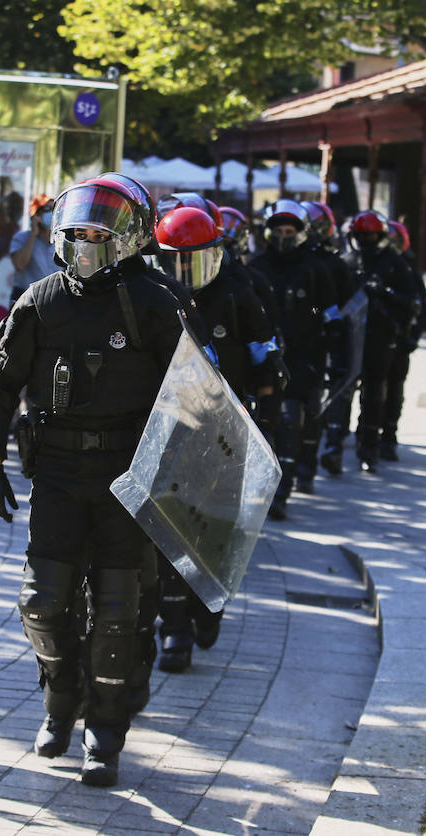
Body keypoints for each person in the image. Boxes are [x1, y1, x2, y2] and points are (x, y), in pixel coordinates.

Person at [0, 173, 200, 788]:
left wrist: (179, 486)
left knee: (117, 616)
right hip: (58, 476)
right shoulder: (42, 299)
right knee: (43, 603)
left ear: (129, 236)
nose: (86, 239)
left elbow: (194, 397)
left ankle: (106, 732)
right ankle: (60, 698)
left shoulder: (155, 301)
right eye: (78, 229)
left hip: (129, 480)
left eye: (101, 230)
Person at [149, 205, 282, 673]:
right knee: (169, 533)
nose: (185, 274)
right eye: (175, 262)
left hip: (228, 434)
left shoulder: (238, 296)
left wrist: (264, 426)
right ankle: (175, 633)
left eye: (195, 261)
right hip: (171, 432)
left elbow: (268, 364)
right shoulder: (153, 300)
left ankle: (209, 607)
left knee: (214, 533)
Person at [247, 199, 335, 519]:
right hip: (263, 361)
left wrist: (315, 330)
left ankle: (282, 492)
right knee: (262, 425)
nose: (284, 236)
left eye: (289, 230)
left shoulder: (315, 270)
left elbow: (327, 312)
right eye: (278, 230)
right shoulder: (255, 268)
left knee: (290, 422)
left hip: (301, 359)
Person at [343, 210, 418, 473]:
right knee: (343, 391)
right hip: (350, 339)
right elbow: (324, 303)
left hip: (382, 338)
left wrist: (386, 294)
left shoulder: (395, 264)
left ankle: (370, 447)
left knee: (376, 393)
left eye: (372, 235)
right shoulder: (348, 261)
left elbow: (412, 303)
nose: (367, 240)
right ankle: (334, 441)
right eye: (362, 235)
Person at [301, 200, 356, 480]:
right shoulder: (297, 261)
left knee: (330, 394)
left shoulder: (334, 264)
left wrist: (320, 316)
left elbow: (339, 305)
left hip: (326, 335)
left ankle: (329, 447)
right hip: (299, 336)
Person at [379, 221, 426, 461]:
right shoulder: (375, 264)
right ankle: (365, 434)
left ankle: (389, 436)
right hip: (377, 341)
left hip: (400, 341)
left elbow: (422, 309)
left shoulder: (408, 270)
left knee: (394, 390)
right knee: (373, 389)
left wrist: (413, 337)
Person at [8, 194, 58, 303]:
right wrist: (33, 235)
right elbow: (20, 265)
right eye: (47, 209)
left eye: (54, 209)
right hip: (25, 299)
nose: (51, 213)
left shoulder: (61, 241)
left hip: (53, 299)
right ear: (35, 213)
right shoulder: (21, 238)